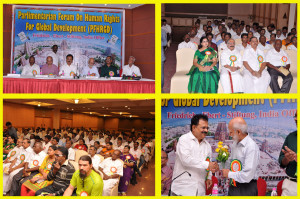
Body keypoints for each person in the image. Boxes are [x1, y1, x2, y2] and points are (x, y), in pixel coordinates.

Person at [170, 114, 219, 196]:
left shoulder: (207, 145)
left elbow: (208, 161)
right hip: (183, 190)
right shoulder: (184, 139)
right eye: (203, 127)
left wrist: (209, 177)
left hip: (200, 190)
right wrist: (208, 164)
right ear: (194, 127)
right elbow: (186, 160)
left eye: (207, 128)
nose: (206, 130)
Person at [222, 117, 260, 196]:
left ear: (238, 132)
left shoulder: (251, 147)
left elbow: (247, 176)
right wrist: (219, 166)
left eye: (231, 132)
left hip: (246, 188)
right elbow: (231, 163)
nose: (229, 135)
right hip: (234, 185)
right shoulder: (235, 144)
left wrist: (229, 174)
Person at [278, 111, 297, 196]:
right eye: (295, 116)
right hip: (290, 185)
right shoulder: (291, 137)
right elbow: (282, 162)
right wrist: (287, 159)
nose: (295, 119)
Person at [162, 28, 167, 92]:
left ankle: (160, 88)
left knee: (160, 73)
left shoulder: (162, 31)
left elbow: (165, 43)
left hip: (160, 56)